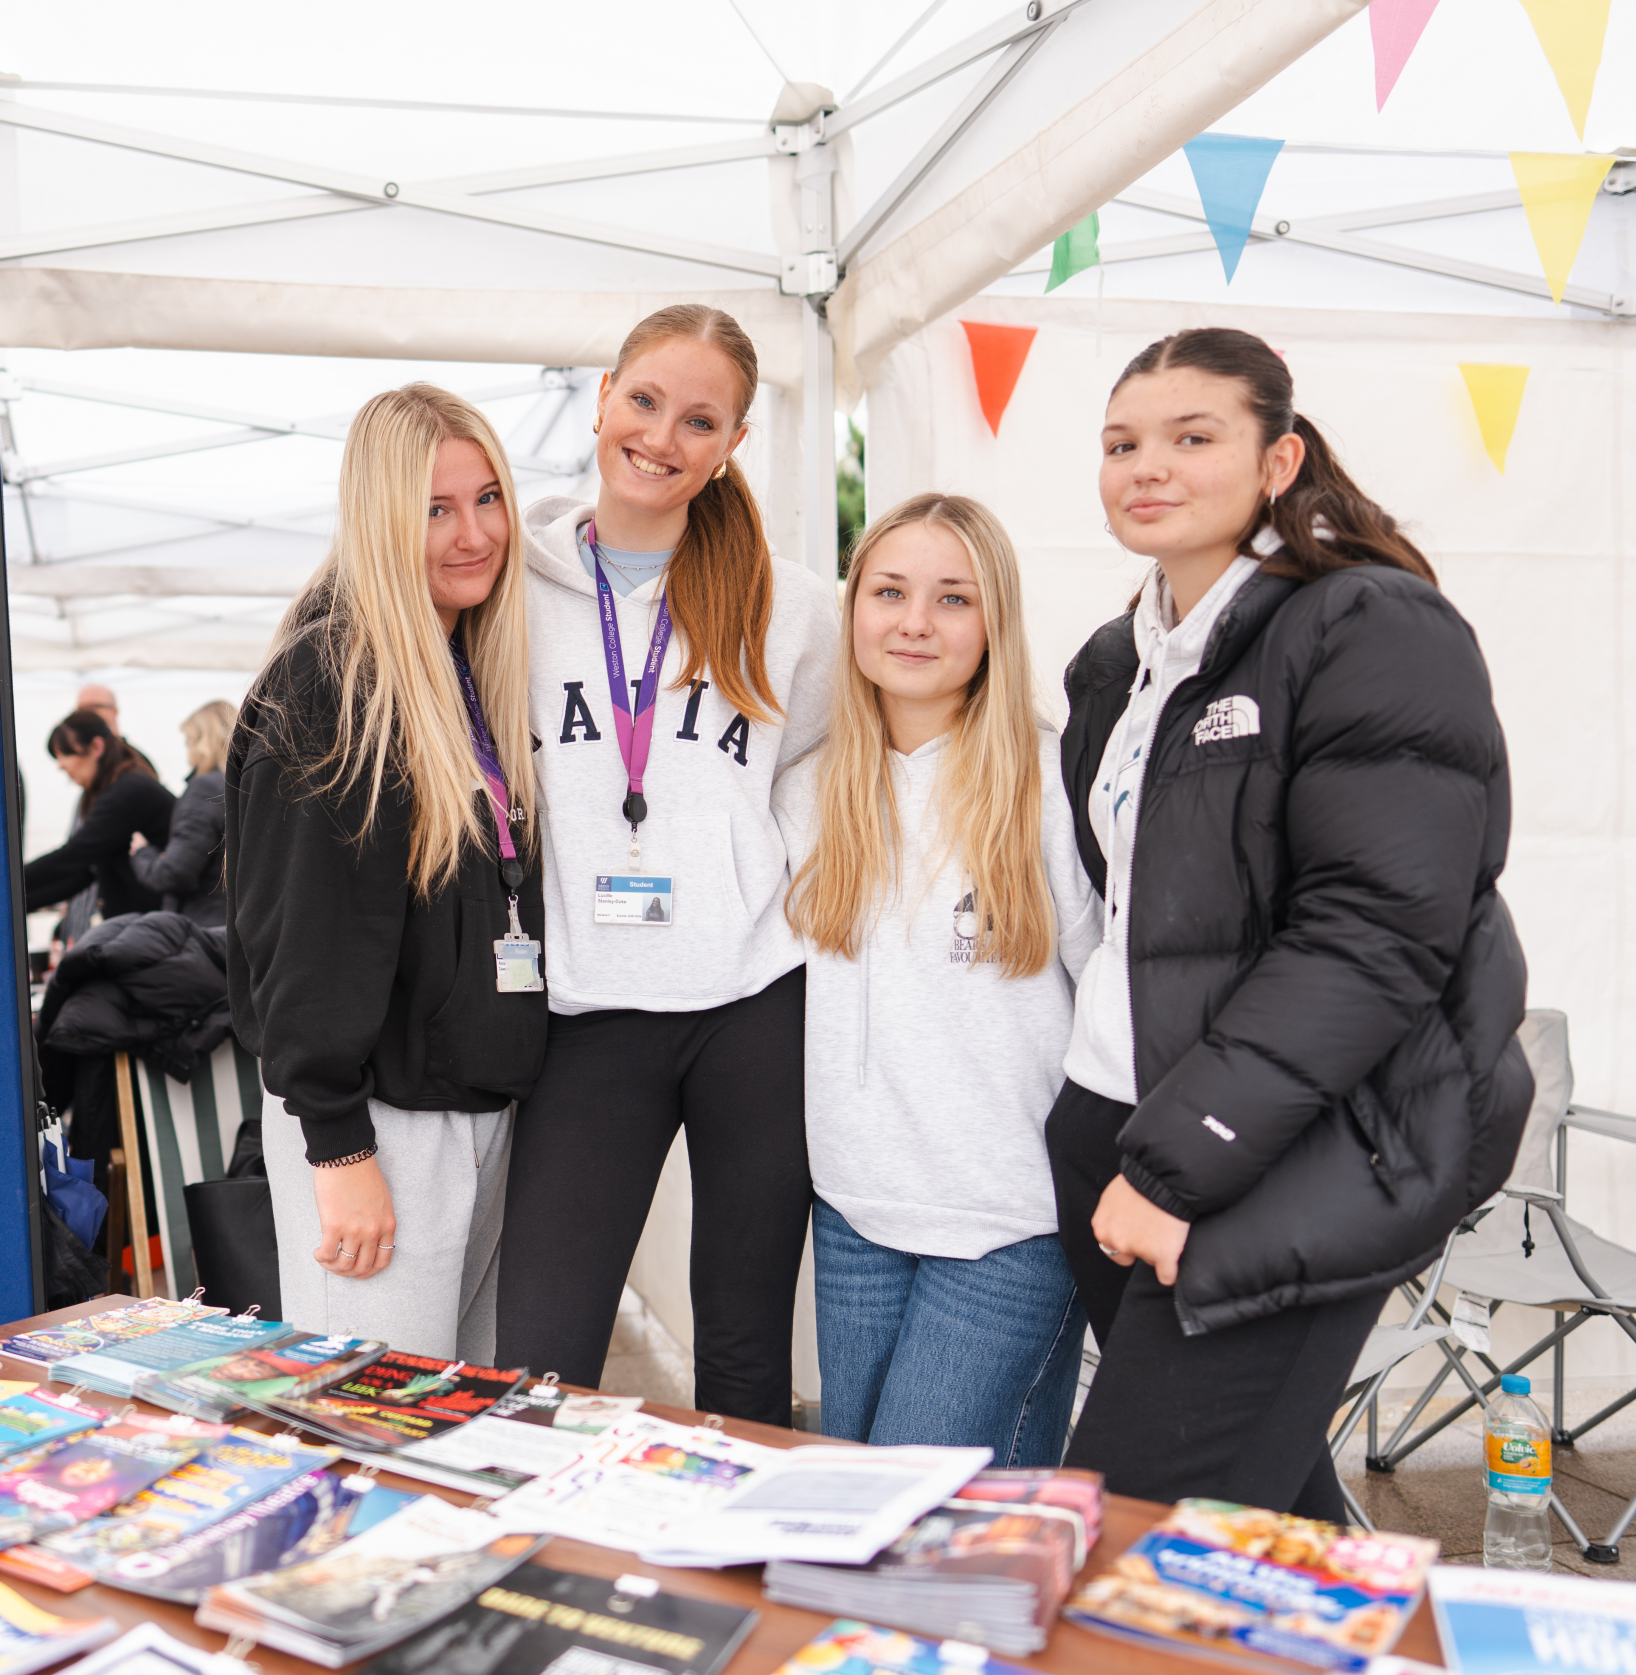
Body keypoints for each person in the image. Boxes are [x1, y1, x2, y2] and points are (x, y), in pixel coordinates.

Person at [1053, 327, 1529, 1519]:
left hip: (1284, 1154)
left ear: (1279, 462)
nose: (1145, 466)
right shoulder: (1117, 666)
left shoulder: (1370, 626)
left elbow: (1374, 935)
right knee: (1258, 1512)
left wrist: (1177, 1165)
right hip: (1119, 1130)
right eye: (1121, 443)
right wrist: (1103, 1139)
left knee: (1131, 1526)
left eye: (1191, 436)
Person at [495, 304, 837, 1424]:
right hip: (586, 1009)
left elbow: (850, 743)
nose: (662, 437)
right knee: (541, 1360)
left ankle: (734, 1569)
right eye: (644, 401)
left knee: (742, 1355)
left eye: (701, 420)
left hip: (753, 1001)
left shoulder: (792, 607)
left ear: (732, 443)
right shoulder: (509, 590)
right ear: (602, 396)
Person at [775, 494, 1099, 1465]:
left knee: (922, 1496)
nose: (915, 622)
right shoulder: (806, 791)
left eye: (952, 598)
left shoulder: (1050, 787)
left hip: (1012, 1220)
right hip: (853, 1210)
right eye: (889, 592)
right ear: (853, 611)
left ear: (993, 622)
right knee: (876, 1496)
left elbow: (1120, 1003)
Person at [227, 382, 546, 1363]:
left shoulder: (460, 671)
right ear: (378, 519)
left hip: (471, 1119)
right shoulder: (333, 683)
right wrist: (339, 1145)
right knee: (368, 1437)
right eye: (434, 509)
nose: (472, 534)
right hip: (377, 1132)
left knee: (446, 1428)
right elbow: (309, 936)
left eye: (487, 498)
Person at [23, 710, 176, 921]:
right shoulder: (122, 786)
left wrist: (7, 882)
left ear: (97, 747)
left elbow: (74, 856)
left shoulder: (127, 791)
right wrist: (15, 903)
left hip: (152, 925)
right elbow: (82, 873)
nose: (61, 765)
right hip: (143, 923)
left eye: (67, 754)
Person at [129, 700, 232, 927]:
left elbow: (173, 875)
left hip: (205, 933)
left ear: (203, 743)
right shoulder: (246, 789)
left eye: (189, 742)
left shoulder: (205, 789)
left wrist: (142, 852)